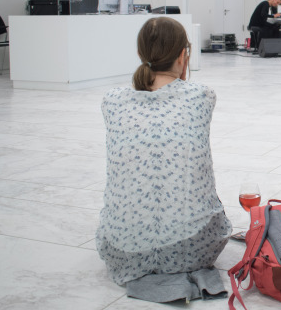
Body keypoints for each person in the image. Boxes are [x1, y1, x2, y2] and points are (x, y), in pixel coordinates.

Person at [97, 17, 232, 302]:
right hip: (194, 250)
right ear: (184, 54)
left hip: (122, 253)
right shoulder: (201, 95)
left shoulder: (112, 99)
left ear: (140, 54)